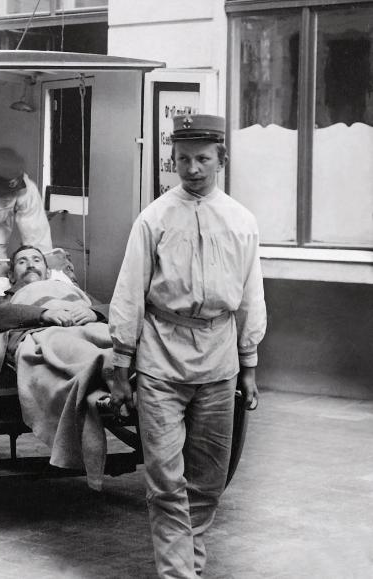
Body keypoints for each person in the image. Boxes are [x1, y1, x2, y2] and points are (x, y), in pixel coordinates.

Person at [107, 114, 266, 578]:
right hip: (161, 359)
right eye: (182, 160)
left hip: (220, 363)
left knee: (209, 481)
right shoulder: (154, 218)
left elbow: (251, 295)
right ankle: (178, 575)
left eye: (201, 159)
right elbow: (129, 292)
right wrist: (122, 361)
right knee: (165, 481)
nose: (192, 169)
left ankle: (186, 568)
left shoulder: (240, 221)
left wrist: (249, 362)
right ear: (172, 161)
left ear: (221, 159)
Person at [0, 245, 113, 489]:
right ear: (11, 275)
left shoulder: (70, 290)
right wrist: (43, 313)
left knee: (119, 341)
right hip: (46, 333)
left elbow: (114, 311)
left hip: (88, 326)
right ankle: (109, 378)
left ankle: (116, 373)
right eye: (22, 261)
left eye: (36, 260)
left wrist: (93, 313)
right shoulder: (5, 298)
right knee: (66, 346)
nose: (30, 264)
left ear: (47, 270)